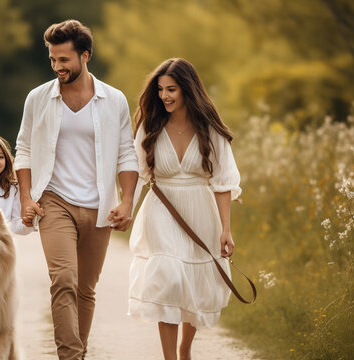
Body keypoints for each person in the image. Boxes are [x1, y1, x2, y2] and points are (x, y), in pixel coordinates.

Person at [14, 20, 138, 360]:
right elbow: (22, 149)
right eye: (52, 59)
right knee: (64, 279)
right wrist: (26, 197)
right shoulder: (38, 98)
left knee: (85, 289)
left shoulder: (113, 100)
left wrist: (127, 201)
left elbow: (127, 153)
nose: (57, 67)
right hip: (54, 202)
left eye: (64, 59)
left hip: (99, 205)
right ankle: (70, 356)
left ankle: (78, 354)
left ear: (85, 55)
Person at [128, 58, 241, 360]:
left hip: (201, 211)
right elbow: (137, 172)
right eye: (161, 89)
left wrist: (226, 229)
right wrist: (126, 206)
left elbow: (223, 181)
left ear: (188, 90)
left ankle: (185, 348)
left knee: (194, 284)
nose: (164, 96)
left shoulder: (209, 128)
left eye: (171, 89)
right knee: (168, 278)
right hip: (161, 208)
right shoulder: (150, 125)